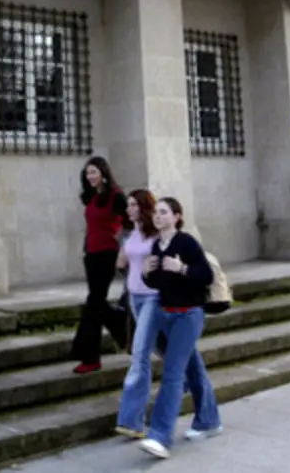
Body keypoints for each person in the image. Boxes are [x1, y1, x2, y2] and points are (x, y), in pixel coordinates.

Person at [139, 197, 221, 459]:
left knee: (173, 374)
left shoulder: (185, 242)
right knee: (192, 368)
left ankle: (160, 437)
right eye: (156, 212)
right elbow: (159, 284)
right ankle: (208, 420)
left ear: (176, 216)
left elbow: (206, 276)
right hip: (166, 315)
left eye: (164, 212)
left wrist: (182, 268)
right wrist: (145, 273)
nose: (158, 216)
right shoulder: (156, 245)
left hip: (189, 315)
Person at [69, 156, 129, 374]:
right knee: (96, 302)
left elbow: (130, 220)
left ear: (104, 173)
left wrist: (121, 236)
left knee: (94, 302)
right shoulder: (91, 197)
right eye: (87, 173)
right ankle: (120, 327)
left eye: (94, 172)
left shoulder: (116, 196)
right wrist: (86, 247)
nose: (90, 176)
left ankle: (89, 356)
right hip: (91, 255)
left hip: (107, 254)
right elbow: (92, 225)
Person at [114, 188, 162, 439]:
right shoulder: (130, 234)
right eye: (128, 205)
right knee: (161, 347)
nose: (128, 208)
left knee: (140, 353)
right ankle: (188, 378)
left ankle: (131, 420)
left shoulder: (156, 236)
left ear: (143, 207)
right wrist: (123, 254)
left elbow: (162, 263)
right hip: (134, 297)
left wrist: (150, 265)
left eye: (133, 205)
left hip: (153, 298)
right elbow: (122, 264)